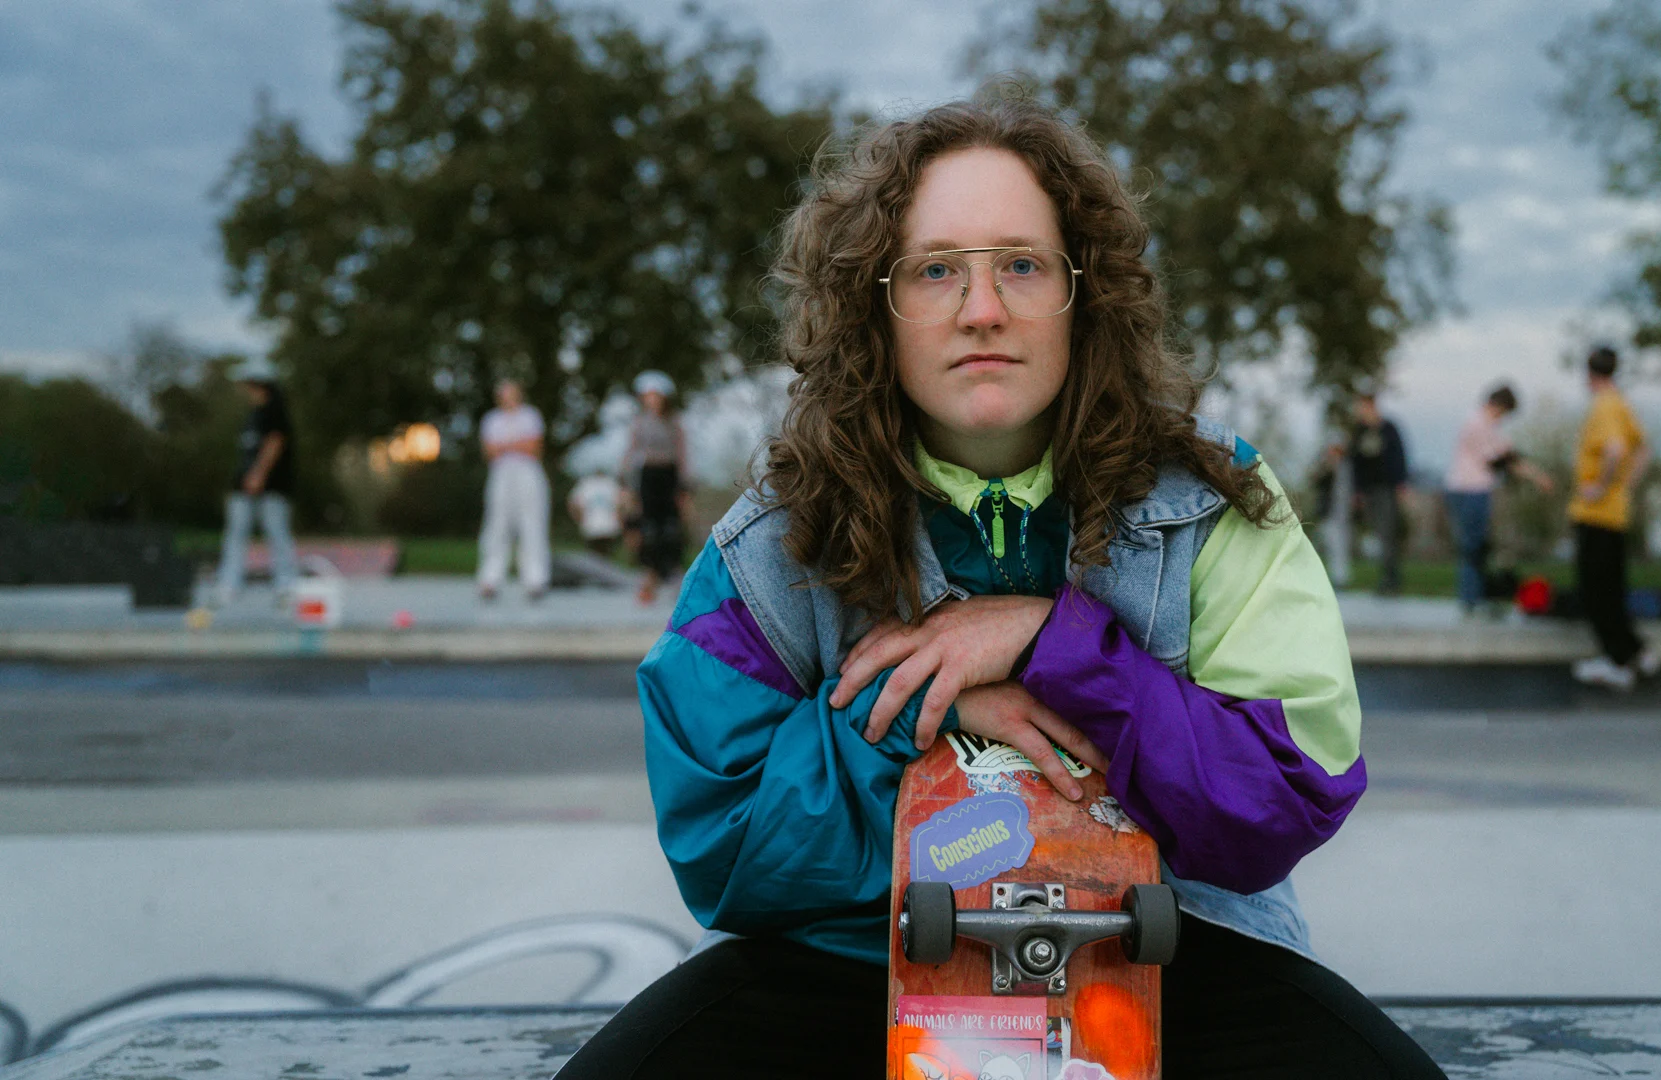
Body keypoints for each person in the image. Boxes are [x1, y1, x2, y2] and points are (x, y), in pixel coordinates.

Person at [556, 98, 1443, 1080]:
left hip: (1171, 950)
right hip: (864, 958)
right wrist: (930, 714)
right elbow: (720, 843)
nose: (983, 308)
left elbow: (1289, 789)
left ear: (1086, 294)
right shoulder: (774, 539)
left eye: (1022, 264)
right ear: (872, 309)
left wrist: (1050, 643)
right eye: (936, 270)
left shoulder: (1211, 501)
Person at [1569, 347, 1654, 690]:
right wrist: (1626, 486)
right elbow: (1643, 449)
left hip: (1597, 514)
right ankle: (1637, 651)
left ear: (1589, 374)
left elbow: (1616, 449)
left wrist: (1601, 488)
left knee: (1596, 592)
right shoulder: (1621, 403)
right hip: (1615, 513)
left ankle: (1617, 663)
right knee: (1612, 589)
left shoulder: (1604, 405)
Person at [1443, 384, 1555, 614]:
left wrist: (1538, 476)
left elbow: (1511, 457)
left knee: (1477, 546)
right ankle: (1470, 599)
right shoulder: (1477, 424)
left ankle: (1474, 597)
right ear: (1498, 406)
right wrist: (1534, 475)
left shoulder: (1489, 427)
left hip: (1473, 489)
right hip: (1469, 489)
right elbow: (1501, 461)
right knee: (1473, 547)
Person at [213, 359, 297, 606]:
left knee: (276, 532)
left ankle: (285, 585)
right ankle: (229, 584)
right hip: (243, 485)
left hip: (271, 486)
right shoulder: (254, 414)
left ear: (258, 384)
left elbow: (275, 442)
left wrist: (258, 473)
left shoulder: (274, 410)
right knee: (236, 533)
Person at [476, 379, 549, 600]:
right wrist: (517, 444)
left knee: (532, 523)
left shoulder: (531, 415)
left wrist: (505, 446)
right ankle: (490, 578)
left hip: (527, 474)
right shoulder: (491, 419)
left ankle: (535, 579)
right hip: (501, 475)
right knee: (496, 524)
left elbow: (534, 447)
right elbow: (489, 451)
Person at [621, 370, 689, 605]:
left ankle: (676, 580)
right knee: (647, 530)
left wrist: (685, 487)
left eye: (654, 395)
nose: (650, 400)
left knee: (670, 530)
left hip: (668, 477)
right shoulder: (639, 423)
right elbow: (630, 454)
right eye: (646, 395)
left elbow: (682, 454)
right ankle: (649, 580)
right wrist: (626, 486)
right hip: (648, 477)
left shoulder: (674, 421)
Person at [1348, 387, 1409, 595]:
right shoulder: (1359, 431)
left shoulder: (1388, 428)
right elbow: (1355, 463)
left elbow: (1399, 456)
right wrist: (1356, 491)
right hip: (1369, 489)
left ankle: (1391, 580)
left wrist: (1401, 483)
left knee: (1387, 531)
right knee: (1378, 532)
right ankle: (1386, 578)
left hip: (1387, 488)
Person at [567, 469, 623, 556]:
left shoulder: (609, 483)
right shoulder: (587, 483)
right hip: (597, 527)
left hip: (605, 527)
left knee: (599, 556)